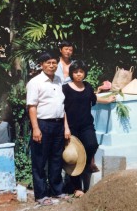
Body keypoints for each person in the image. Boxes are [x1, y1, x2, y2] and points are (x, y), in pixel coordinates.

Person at [62, 60, 116, 197]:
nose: (78, 74)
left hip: (86, 125)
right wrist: (66, 128)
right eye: (75, 72)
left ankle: (84, 167)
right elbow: (61, 109)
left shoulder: (87, 86)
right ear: (71, 73)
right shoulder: (65, 89)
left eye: (81, 71)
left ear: (84, 73)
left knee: (92, 145)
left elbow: (94, 98)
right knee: (74, 156)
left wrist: (108, 100)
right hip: (71, 127)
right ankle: (77, 188)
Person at [26, 51, 70, 206]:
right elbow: (32, 107)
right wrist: (36, 128)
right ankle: (41, 194)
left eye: (53, 62)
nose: (51, 65)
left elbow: (62, 106)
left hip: (58, 124)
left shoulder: (59, 81)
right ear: (41, 65)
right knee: (39, 160)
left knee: (56, 159)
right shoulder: (35, 82)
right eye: (48, 63)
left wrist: (65, 127)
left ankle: (57, 190)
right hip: (43, 124)